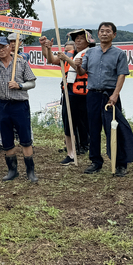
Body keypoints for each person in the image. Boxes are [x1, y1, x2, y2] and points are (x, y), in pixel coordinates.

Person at [74, 22, 133, 176]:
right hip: (93, 95)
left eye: (108, 31)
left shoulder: (119, 54)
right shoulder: (90, 53)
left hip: (110, 95)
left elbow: (122, 74)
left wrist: (115, 94)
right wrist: (77, 66)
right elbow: (82, 71)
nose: (104, 34)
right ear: (98, 34)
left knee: (114, 129)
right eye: (102, 31)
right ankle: (96, 161)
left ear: (114, 35)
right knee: (93, 129)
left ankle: (120, 162)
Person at [0, 36, 38, 183]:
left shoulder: (21, 62)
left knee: (25, 139)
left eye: (3, 47)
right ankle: (12, 170)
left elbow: (32, 83)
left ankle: (30, 171)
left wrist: (20, 85)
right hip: (2, 104)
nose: (0, 50)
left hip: (20, 105)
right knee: (6, 138)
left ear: (10, 47)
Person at [40, 30, 94, 165]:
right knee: (68, 124)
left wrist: (67, 59)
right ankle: (70, 153)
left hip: (86, 94)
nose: (78, 41)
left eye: (82, 38)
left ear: (88, 40)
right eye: (77, 39)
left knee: (87, 124)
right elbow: (51, 59)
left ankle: (90, 150)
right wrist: (46, 48)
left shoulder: (92, 54)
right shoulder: (69, 54)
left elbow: (81, 69)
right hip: (69, 93)